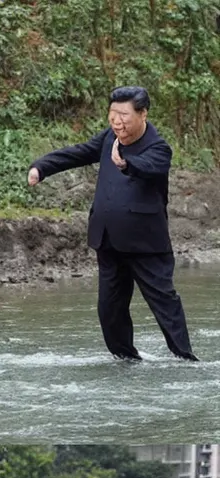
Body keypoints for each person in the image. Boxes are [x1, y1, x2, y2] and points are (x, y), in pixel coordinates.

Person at [28, 86, 195, 361]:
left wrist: (125, 164)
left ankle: (185, 359)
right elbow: (80, 152)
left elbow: (149, 166)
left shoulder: (159, 147)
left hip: (145, 243)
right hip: (108, 240)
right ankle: (125, 357)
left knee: (165, 303)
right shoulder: (109, 138)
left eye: (124, 115)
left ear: (143, 114)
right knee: (109, 309)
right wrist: (42, 167)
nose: (117, 122)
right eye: (113, 114)